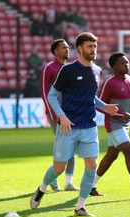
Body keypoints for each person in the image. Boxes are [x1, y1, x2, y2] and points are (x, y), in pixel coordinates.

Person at [30, 32, 119, 217]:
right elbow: (52, 95)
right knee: (59, 168)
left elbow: (91, 97)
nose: (93, 50)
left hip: (89, 126)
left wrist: (105, 107)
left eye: (95, 46)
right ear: (80, 48)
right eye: (89, 46)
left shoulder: (97, 71)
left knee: (91, 165)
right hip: (68, 127)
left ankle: (80, 206)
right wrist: (61, 116)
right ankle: (42, 187)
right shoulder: (68, 70)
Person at [90, 52, 130, 199]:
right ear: (114, 66)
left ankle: (90, 186)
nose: (127, 65)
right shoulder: (109, 83)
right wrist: (119, 115)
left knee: (111, 156)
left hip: (125, 124)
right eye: (123, 63)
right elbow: (100, 106)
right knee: (129, 152)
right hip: (114, 124)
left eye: (127, 62)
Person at [39, 39, 79, 192]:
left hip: (70, 113)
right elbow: (44, 91)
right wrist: (53, 112)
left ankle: (69, 183)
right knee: (63, 145)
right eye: (64, 48)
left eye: (68, 47)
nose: (67, 50)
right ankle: (53, 179)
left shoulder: (70, 68)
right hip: (56, 113)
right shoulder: (49, 68)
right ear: (56, 51)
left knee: (72, 145)